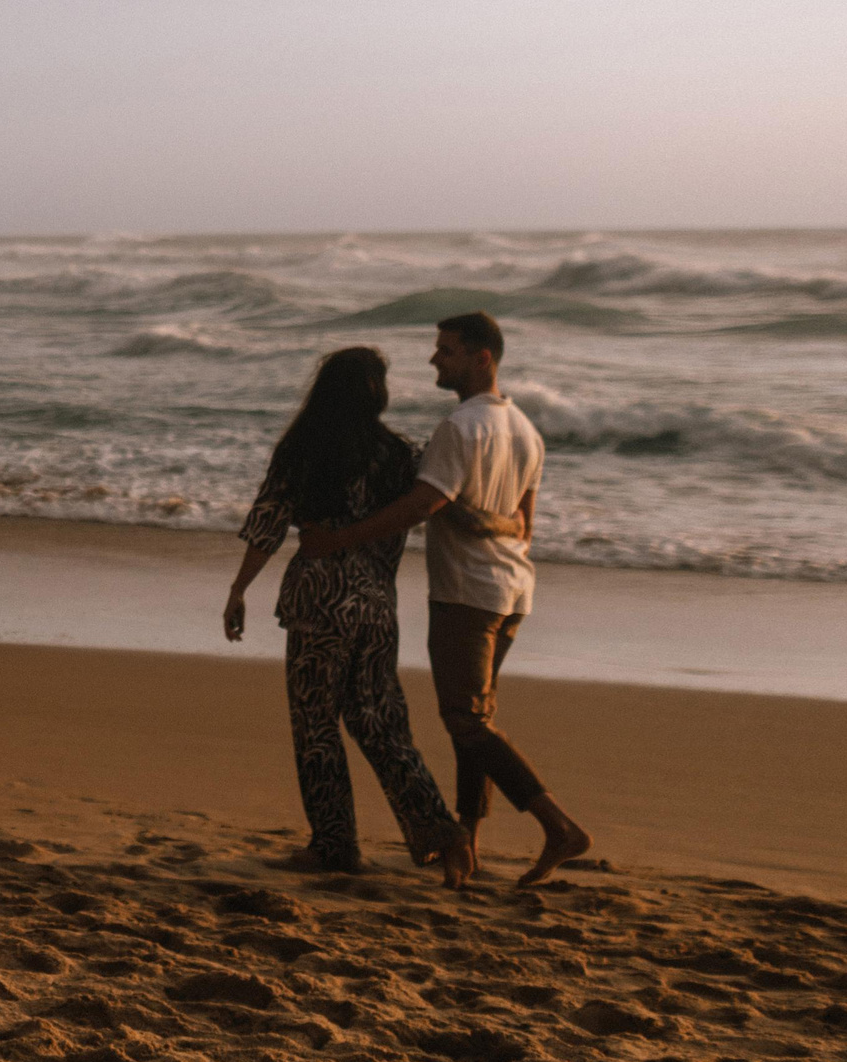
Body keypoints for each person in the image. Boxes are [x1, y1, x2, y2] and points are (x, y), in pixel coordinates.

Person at [296, 311, 592, 887]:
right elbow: (522, 527)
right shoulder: (528, 431)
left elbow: (419, 506)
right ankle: (472, 843)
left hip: (466, 594)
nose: (434, 359)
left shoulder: (459, 427)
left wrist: (336, 540)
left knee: (464, 720)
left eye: (447, 350)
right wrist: (481, 518)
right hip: (513, 592)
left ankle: (557, 825)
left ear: (482, 358)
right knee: (475, 720)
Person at [224, 346, 467, 885]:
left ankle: (335, 844)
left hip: (320, 604)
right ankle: (443, 835)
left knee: (316, 727)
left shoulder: (304, 449)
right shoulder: (399, 455)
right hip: (377, 607)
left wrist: (239, 590)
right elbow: (427, 510)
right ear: (375, 393)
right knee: (382, 725)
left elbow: (268, 520)